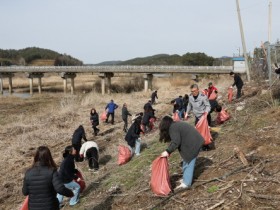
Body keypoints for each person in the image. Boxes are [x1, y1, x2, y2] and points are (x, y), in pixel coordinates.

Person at [22, 146, 73, 210]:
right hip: (50, 207)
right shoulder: (51, 171)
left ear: (36, 157)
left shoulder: (28, 173)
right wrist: (70, 193)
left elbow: (25, 192)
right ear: (48, 157)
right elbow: (60, 188)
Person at [159, 116, 204, 189]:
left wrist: (168, 151)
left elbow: (176, 142)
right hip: (193, 141)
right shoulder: (174, 125)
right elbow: (175, 140)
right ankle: (185, 179)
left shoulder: (173, 128)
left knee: (189, 161)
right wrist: (168, 150)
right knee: (186, 161)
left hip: (194, 143)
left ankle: (187, 183)